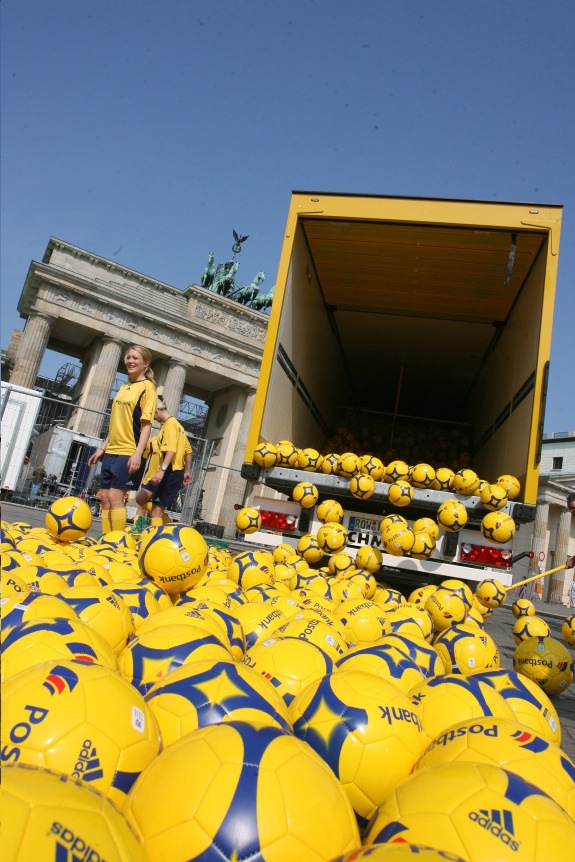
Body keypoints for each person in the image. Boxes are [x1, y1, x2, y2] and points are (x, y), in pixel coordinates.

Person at [87, 344, 157, 535]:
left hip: (128, 451)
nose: (130, 361)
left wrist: (137, 454)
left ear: (146, 363)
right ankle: (106, 539)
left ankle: (117, 543)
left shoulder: (148, 388)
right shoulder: (124, 386)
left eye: (135, 358)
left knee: (116, 497)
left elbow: (146, 425)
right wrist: (101, 449)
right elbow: (115, 423)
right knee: (105, 498)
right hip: (111, 450)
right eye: (128, 357)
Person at [130, 395, 192, 534]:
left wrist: (162, 470)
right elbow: (188, 451)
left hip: (171, 473)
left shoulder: (170, 425)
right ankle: (162, 527)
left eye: (153, 415)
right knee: (143, 500)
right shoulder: (177, 426)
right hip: (171, 472)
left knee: (156, 512)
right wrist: (187, 471)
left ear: (157, 411)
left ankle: (157, 538)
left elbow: (171, 450)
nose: (154, 419)